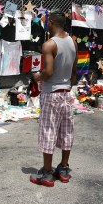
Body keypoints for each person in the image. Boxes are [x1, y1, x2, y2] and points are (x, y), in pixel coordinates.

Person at [30, 12, 78, 187]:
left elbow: (48, 72)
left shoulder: (49, 44)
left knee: (48, 130)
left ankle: (47, 172)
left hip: (51, 94)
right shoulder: (73, 42)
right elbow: (74, 72)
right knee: (66, 130)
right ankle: (64, 168)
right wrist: (67, 84)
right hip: (66, 93)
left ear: (51, 22)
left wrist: (37, 76)